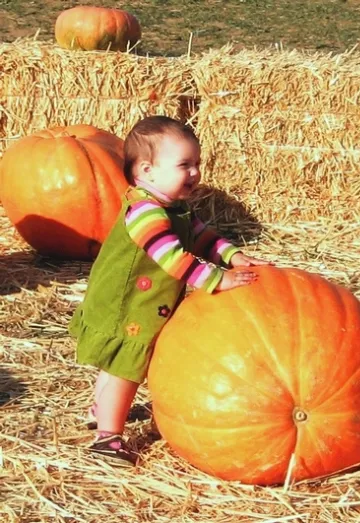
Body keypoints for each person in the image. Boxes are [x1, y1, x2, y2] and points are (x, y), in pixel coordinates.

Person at [69, 115, 271, 467]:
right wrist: (216, 280)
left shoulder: (175, 207)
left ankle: (102, 410)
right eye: (184, 165)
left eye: (197, 164)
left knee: (119, 362)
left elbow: (203, 237)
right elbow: (173, 258)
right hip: (127, 304)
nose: (194, 173)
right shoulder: (145, 212)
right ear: (147, 170)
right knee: (125, 367)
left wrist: (233, 256)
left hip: (143, 301)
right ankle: (107, 438)